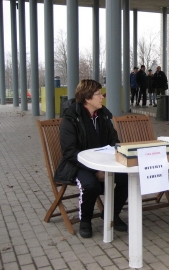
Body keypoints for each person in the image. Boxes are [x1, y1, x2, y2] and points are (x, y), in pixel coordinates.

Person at [55, 79, 129, 238]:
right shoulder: (70, 119)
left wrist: (115, 158)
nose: (102, 97)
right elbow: (69, 152)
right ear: (87, 98)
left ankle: (111, 214)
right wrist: (95, 169)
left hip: (104, 162)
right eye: (98, 94)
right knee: (90, 184)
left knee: (128, 177)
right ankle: (85, 220)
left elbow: (114, 141)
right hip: (78, 165)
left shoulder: (103, 115)